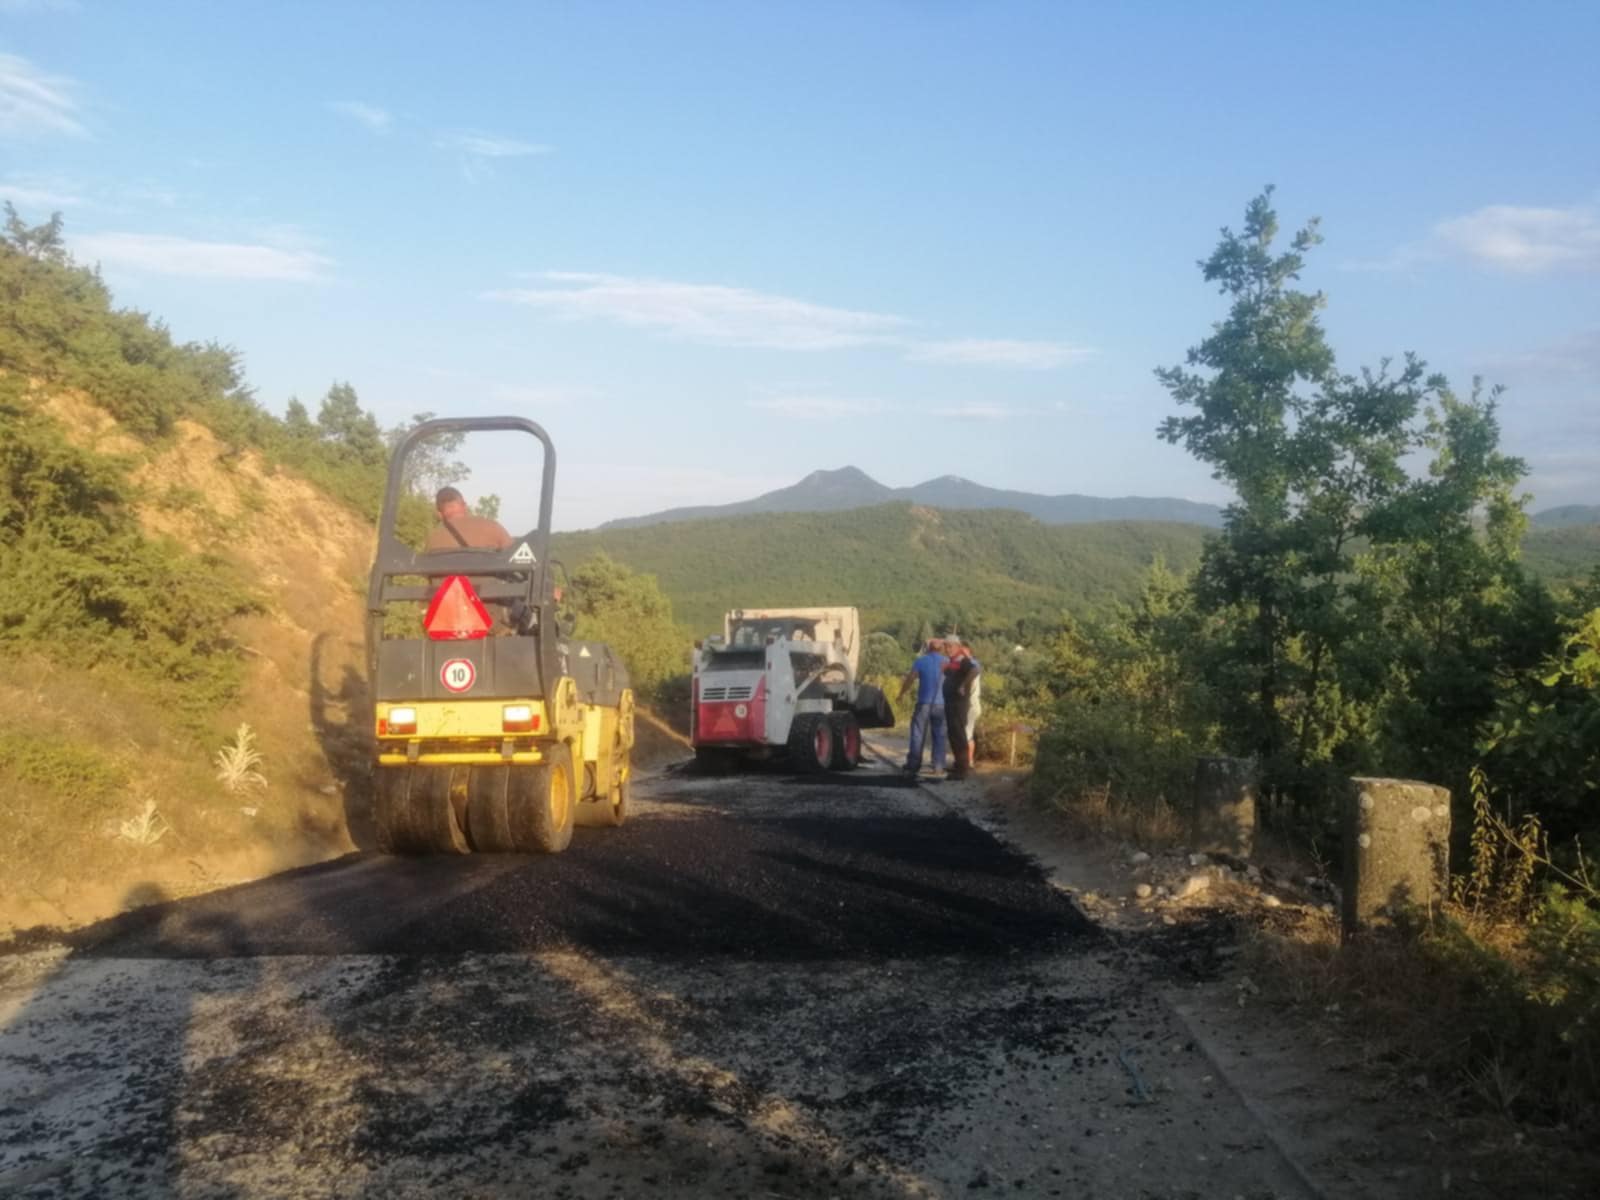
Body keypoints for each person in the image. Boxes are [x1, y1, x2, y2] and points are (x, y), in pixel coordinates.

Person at [897, 639, 949, 777]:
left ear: (928, 649)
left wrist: (901, 694)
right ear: (941, 649)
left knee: (918, 733)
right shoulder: (947, 662)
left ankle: (913, 765)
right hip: (941, 704)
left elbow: (910, 678)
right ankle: (938, 766)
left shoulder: (921, 661)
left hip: (924, 703)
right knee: (939, 735)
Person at [424, 486, 513, 553]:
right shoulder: (493, 527)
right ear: (464, 506)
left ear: (439, 514)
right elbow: (512, 557)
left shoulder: (432, 538)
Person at [942, 641, 982, 780]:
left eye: (950, 647)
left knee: (960, 735)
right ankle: (959, 765)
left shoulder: (964, 661)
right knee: (954, 735)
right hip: (952, 704)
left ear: (959, 648)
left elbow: (975, 670)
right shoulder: (955, 662)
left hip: (959, 705)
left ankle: (963, 769)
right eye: (946, 647)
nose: (947, 649)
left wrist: (963, 685)